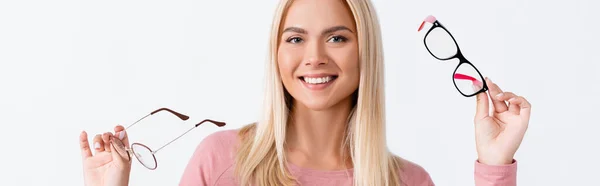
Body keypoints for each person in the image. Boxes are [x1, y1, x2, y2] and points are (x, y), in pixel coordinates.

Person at [78, 0, 532, 185]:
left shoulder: (408, 181)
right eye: (295, 39)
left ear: (364, 53)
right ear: (276, 53)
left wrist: (494, 166)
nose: (314, 57)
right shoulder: (220, 160)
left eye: (336, 37)